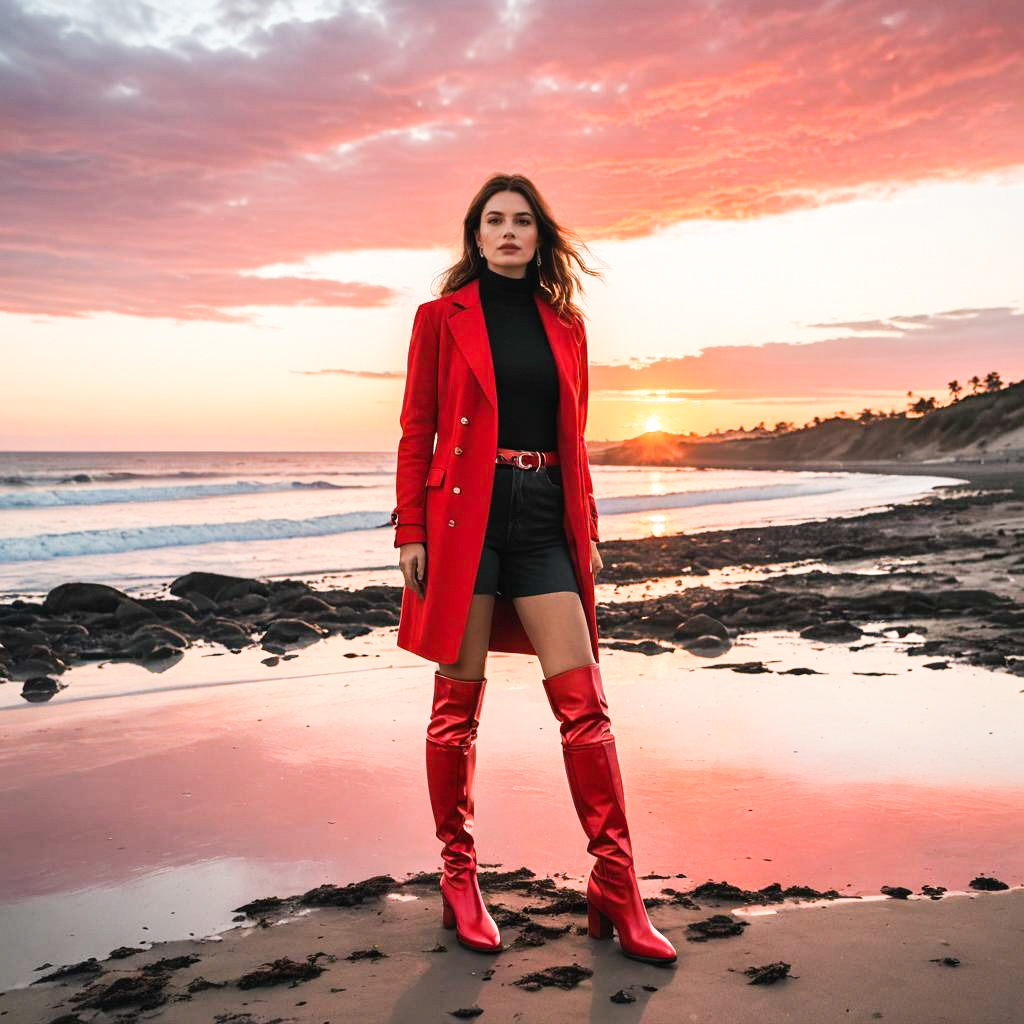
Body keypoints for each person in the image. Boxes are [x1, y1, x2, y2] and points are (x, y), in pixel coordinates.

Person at [391, 173, 676, 966]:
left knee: (586, 705)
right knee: (457, 708)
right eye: (495, 221)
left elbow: (575, 436)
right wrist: (408, 527)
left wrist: (584, 524)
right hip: (462, 521)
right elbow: (417, 425)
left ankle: (616, 886)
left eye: (522, 221)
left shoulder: (567, 327)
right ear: (475, 236)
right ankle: (458, 876)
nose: (509, 232)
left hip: (544, 516)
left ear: (539, 237)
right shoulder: (439, 319)